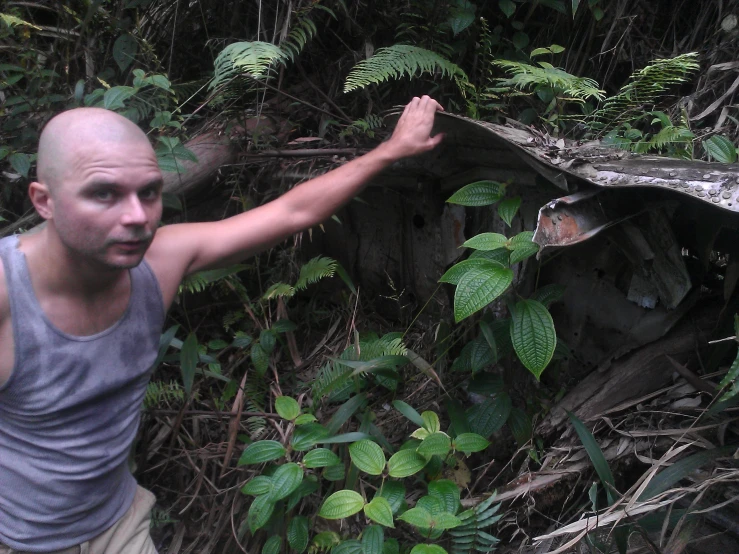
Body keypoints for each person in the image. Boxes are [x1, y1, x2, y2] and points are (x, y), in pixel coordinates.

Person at [0, 96, 444, 553]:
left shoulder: (161, 261)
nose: (137, 217)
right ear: (44, 202)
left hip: (118, 525)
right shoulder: (7, 293)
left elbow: (293, 213)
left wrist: (390, 151)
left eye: (149, 192)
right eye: (103, 193)